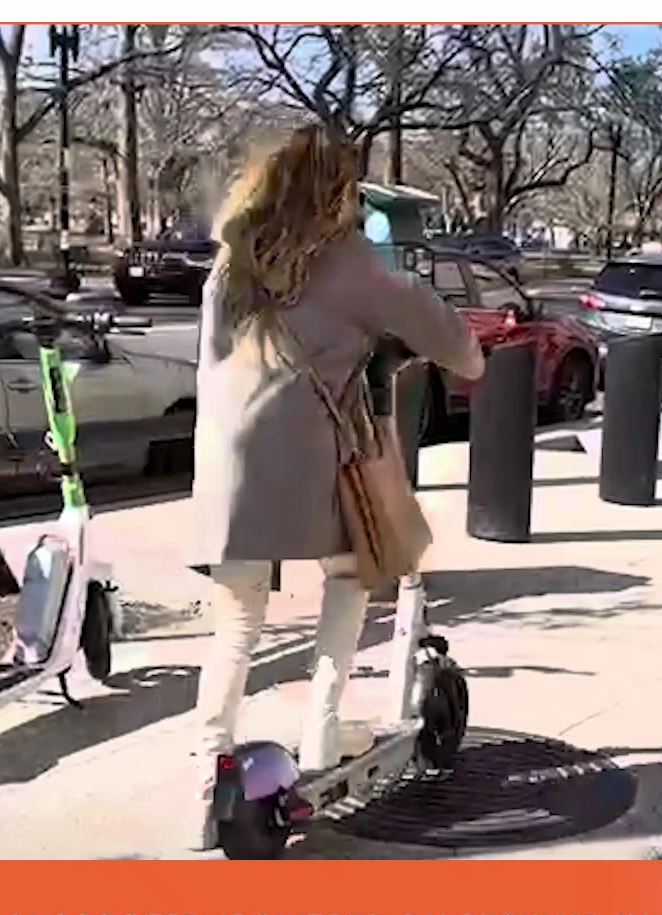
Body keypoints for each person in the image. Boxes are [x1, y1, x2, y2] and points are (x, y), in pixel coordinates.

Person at [184, 123, 486, 852]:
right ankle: (320, 741)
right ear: (338, 193)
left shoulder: (231, 261)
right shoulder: (349, 262)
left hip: (226, 458)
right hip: (315, 457)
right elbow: (460, 351)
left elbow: (209, 363)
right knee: (355, 569)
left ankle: (204, 787)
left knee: (237, 626)